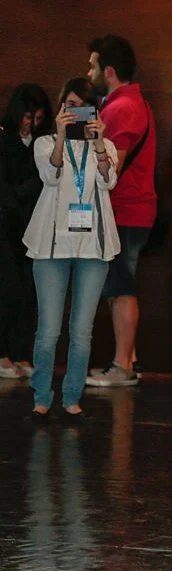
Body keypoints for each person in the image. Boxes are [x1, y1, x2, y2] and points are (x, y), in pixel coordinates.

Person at [24, 78, 120, 421]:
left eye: (82, 107)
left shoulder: (105, 145)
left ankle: (72, 396)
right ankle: (41, 395)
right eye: (69, 106)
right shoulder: (45, 143)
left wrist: (96, 145)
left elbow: (108, 181)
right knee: (48, 330)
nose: (74, 113)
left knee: (82, 330)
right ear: (60, 108)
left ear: (93, 111)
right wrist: (63, 136)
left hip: (92, 245)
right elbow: (50, 176)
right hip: (50, 245)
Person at [85, 34, 157, 387]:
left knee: (120, 287)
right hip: (131, 211)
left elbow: (111, 169)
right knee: (119, 284)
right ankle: (129, 360)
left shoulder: (121, 108)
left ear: (108, 70)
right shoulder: (128, 103)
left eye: (93, 65)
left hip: (124, 211)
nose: (89, 71)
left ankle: (122, 367)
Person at [0, 84, 52, 379]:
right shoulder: (4, 139)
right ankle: (2, 351)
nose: (31, 123)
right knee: (7, 287)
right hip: (7, 222)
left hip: (33, 223)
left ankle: (21, 352)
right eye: (28, 117)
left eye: (38, 118)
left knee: (29, 291)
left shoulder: (43, 143)